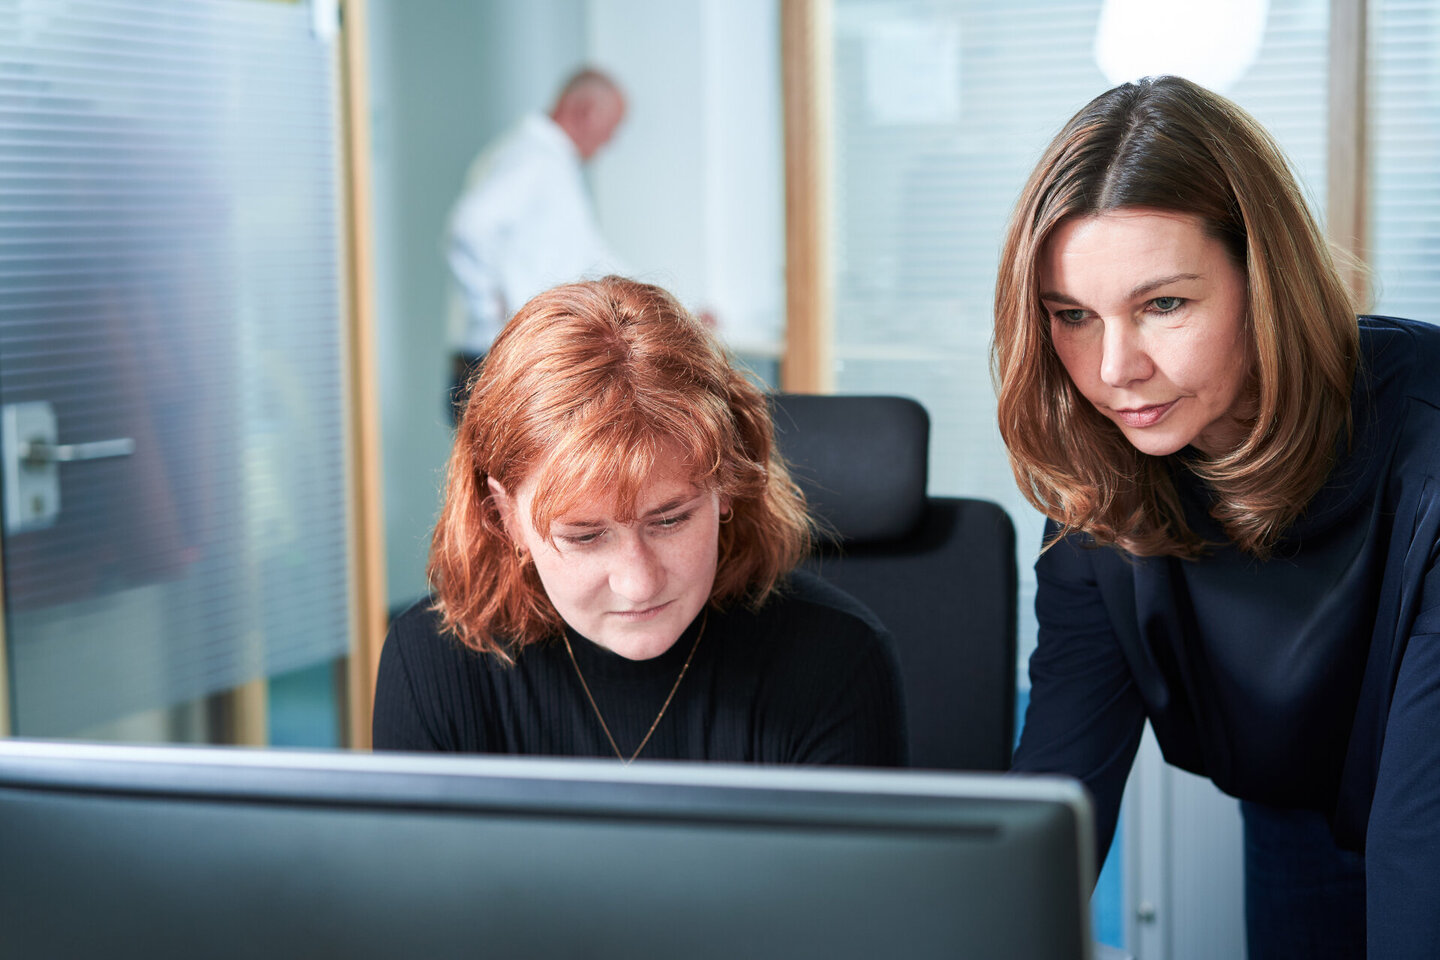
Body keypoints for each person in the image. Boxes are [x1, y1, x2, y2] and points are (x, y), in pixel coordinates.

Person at [994, 75, 1440, 959]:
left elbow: (1420, 844)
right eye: (1074, 316)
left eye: (1164, 305)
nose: (1115, 367)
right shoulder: (1103, 484)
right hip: (1293, 808)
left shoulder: (1427, 444)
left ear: (1263, 279)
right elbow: (1056, 801)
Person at [375, 276, 906, 767]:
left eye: (670, 520)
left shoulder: (838, 660)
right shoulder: (430, 666)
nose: (640, 581)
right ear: (505, 517)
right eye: (584, 536)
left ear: (726, 485)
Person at [444, 68, 629, 421]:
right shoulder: (532, 157)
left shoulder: (553, 165)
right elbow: (469, 226)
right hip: (494, 364)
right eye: (611, 128)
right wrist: (489, 313)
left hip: (503, 360)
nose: (610, 141)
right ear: (586, 111)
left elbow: (591, 258)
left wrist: (672, 305)